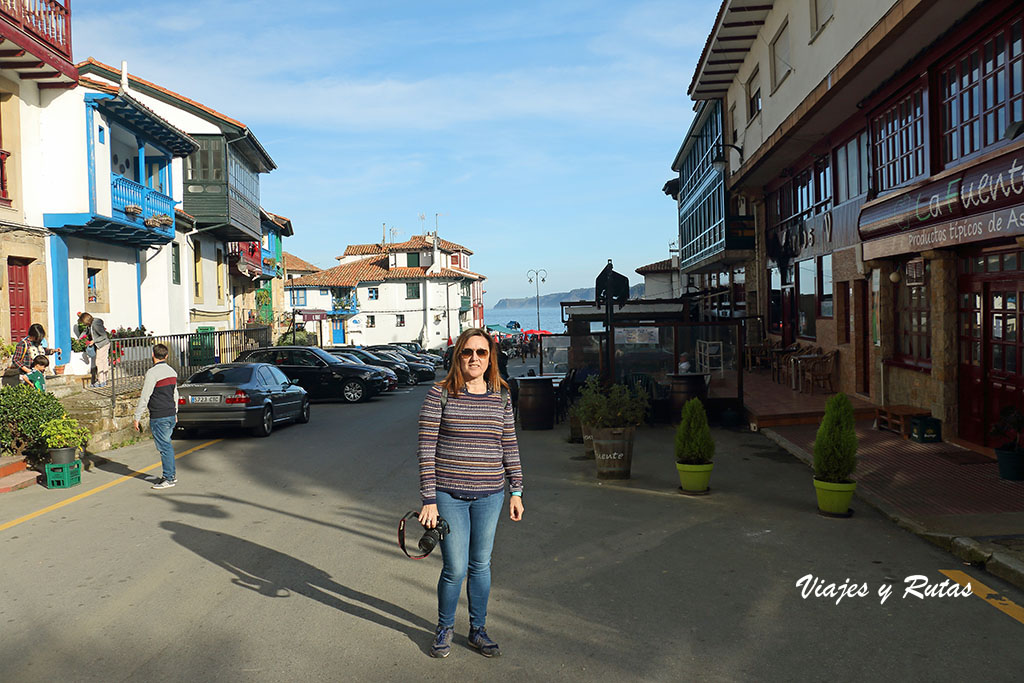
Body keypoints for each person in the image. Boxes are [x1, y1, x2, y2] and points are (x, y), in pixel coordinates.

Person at [417, 328, 524, 659]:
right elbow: (425, 448)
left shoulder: (502, 396)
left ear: (490, 358)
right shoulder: (440, 394)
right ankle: (445, 627)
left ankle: (478, 629)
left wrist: (516, 490)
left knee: (481, 564)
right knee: (455, 567)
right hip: (449, 495)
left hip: (491, 495)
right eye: (467, 352)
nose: (474, 358)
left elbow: (509, 445)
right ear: (456, 357)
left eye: (481, 352)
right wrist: (429, 499)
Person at [133, 343, 179, 489]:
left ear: (153, 355)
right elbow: (175, 394)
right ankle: (170, 474)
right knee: (167, 445)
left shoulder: (152, 373)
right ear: (166, 356)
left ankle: (168, 477)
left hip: (159, 415)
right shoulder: (172, 371)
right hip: (170, 413)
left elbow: (145, 395)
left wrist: (137, 416)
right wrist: (176, 412)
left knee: (164, 447)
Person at [78, 313, 110, 388]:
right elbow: (86, 331)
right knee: (103, 361)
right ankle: (104, 380)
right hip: (101, 344)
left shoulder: (95, 324)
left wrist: (94, 341)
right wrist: (79, 338)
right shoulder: (90, 325)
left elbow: (104, 336)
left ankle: (101, 381)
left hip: (103, 344)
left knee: (99, 362)